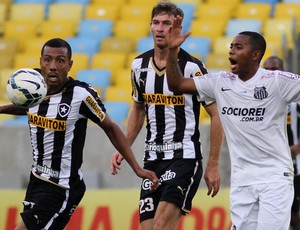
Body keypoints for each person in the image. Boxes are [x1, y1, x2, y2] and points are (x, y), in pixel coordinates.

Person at [0, 38, 159, 230]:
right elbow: (27, 105)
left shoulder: (81, 95)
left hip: (62, 186)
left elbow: (110, 127)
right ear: (40, 61)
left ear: (70, 64)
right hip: (37, 179)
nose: (52, 66)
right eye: (47, 60)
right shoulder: (34, 85)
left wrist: (137, 168)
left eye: (60, 61)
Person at [165, 16, 300, 230]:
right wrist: (171, 52)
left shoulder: (276, 81)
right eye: (231, 47)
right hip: (242, 180)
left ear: (255, 55)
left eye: (238, 47)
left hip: (274, 177)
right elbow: (176, 84)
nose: (231, 52)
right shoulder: (220, 82)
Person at [110, 1, 224, 229]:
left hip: (184, 158)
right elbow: (138, 108)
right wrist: (124, 147)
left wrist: (213, 164)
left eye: (167, 24)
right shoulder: (138, 65)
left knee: (160, 226)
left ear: (176, 29)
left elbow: (216, 114)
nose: (161, 28)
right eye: (156, 23)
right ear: (150, 26)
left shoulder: (192, 68)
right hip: (152, 161)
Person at [263, 56, 300, 230]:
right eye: (267, 69)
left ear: (284, 71)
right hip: (271, 168)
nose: (270, 73)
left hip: (296, 166)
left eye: (274, 69)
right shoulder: (258, 100)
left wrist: (297, 148)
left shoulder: (295, 99)